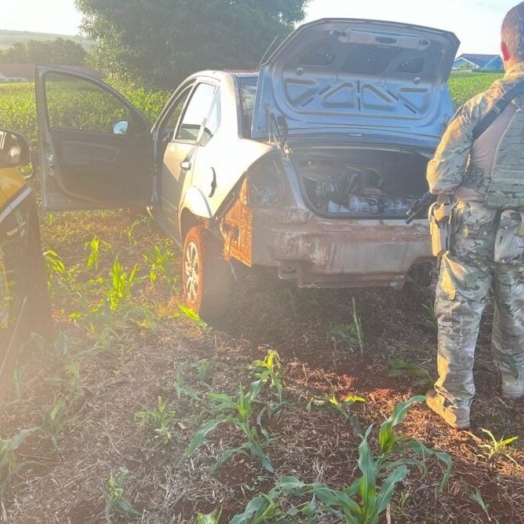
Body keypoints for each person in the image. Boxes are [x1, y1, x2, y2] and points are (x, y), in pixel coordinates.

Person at [425, 1, 524, 429]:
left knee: (460, 311)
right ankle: (516, 384)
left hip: (473, 229)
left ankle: (455, 402)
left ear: (504, 51)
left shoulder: (480, 106)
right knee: (517, 306)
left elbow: (441, 178)